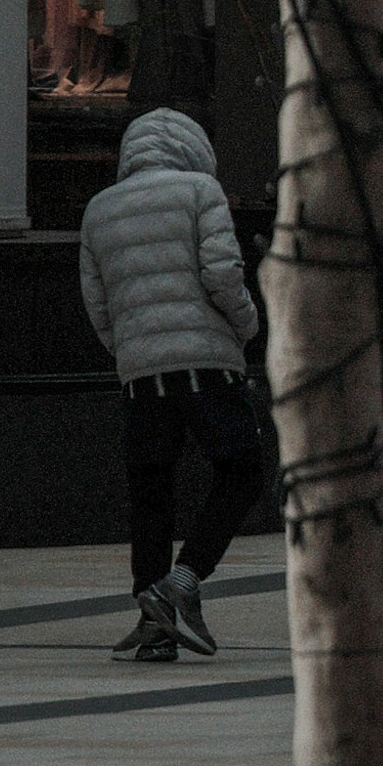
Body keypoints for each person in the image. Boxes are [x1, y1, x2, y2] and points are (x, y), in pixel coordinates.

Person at [80, 106, 269, 663]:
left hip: (140, 373)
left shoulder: (98, 209)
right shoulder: (199, 190)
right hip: (204, 363)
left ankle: (153, 622)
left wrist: (131, 351)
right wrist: (247, 326)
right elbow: (221, 273)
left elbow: (97, 304)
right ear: (194, 148)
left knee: (152, 491)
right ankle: (183, 582)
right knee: (242, 469)